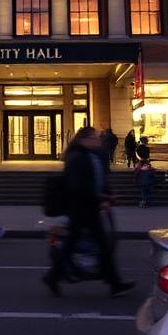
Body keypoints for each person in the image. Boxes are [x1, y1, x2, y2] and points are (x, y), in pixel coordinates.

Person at [43, 126, 134, 298]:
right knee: (98, 245)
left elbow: (98, 180)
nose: (98, 140)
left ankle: (53, 277)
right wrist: (100, 198)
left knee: (87, 246)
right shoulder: (77, 157)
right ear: (84, 139)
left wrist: (106, 195)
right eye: (95, 137)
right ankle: (114, 283)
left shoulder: (91, 155)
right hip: (81, 209)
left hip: (88, 208)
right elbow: (78, 186)